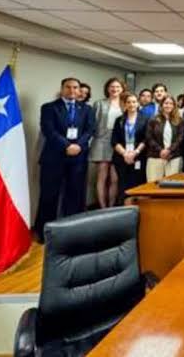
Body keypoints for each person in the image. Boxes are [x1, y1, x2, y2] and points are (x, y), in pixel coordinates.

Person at [35, 77, 95, 242]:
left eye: (75, 87)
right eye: (68, 87)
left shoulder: (86, 109)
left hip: (78, 158)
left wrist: (78, 146)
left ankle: (72, 231)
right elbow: (48, 130)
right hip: (54, 158)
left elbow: (90, 130)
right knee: (49, 196)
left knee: (74, 196)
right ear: (62, 89)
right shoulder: (49, 107)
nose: (72, 90)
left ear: (79, 90)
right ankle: (45, 233)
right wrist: (67, 146)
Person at [90, 77, 126, 208]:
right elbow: (92, 124)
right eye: (112, 86)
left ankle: (111, 207)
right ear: (107, 88)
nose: (115, 89)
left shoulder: (125, 104)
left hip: (119, 143)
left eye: (118, 87)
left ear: (122, 89)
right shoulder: (99, 103)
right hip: (102, 142)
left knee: (115, 178)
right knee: (102, 177)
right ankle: (102, 207)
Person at [111, 92, 148, 206]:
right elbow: (114, 140)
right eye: (128, 102)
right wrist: (125, 154)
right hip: (122, 157)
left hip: (139, 156)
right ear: (125, 104)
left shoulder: (145, 119)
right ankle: (123, 209)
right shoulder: (119, 120)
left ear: (138, 104)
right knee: (123, 184)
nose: (131, 104)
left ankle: (137, 209)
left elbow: (146, 139)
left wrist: (135, 152)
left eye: (134, 102)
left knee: (137, 184)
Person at [145, 95, 184, 181]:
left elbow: (180, 138)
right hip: (155, 156)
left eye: (171, 103)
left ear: (174, 105)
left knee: (173, 186)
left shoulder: (180, 120)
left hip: (174, 157)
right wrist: (161, 150)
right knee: (153, 185)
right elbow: (149, 137)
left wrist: (169, 150)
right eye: (166, 103)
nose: (168, 105)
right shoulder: (153, 120)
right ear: (162, 105)